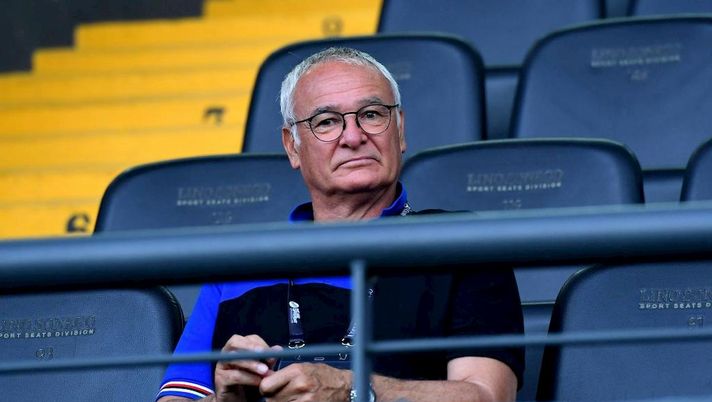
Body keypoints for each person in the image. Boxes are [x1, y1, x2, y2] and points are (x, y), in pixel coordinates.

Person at [156, 47, 524, 402]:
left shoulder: (460, 244)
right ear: (292, 146)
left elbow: (488, 395)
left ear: (400, 129)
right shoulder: (238, 264)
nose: (353, 137)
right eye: (327, 122)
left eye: (372, 114)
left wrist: (351, 390)